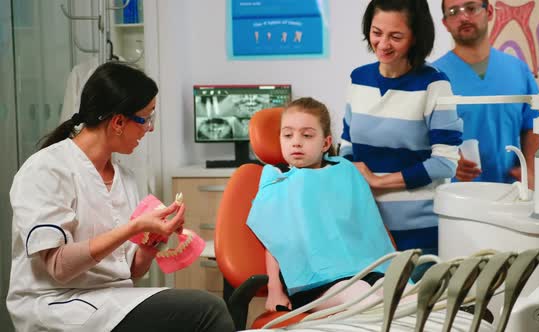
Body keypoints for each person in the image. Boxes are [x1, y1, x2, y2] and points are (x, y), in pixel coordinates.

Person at [7, 62, 235, 332]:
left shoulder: (124, 178)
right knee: (207, 310)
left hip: (111, 300)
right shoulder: (47, 169)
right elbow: (58, 267)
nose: (150, 128)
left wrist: (151, 243)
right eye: (147, 118)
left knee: (203, 309)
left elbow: (130, 271)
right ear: (118, 122)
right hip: (57, 304)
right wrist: (133, 228)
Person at [339, 0, 462, 263]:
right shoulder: (359, 79)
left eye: (396, 36)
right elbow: (347, 143)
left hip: (420, 233)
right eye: (376, 32)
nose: (383, 44)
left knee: (414, 304)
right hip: (366, 226)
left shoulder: (434, 84)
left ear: (415, 37)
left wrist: (379, 182)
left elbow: (445, 163)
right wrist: (353, 174)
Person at [246, 97, 396, 312]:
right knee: (366, 299)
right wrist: (274, 289)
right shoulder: (278, 180)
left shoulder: (345, 171)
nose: (296, 141)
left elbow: (366, 227)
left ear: (325, 143)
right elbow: (275, 241)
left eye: (306, 135)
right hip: (314, 283)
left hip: (365, 270)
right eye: (287, 135)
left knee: (408, 298)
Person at [433, 0, 539, 186]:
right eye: (453, 12)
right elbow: (416, 136)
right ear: (445, 23)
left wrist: (531, 170)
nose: (463, 17)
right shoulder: (433, 77)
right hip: (453, 197)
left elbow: (533, 125)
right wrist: (445, 161)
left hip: (509, 191)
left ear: (489, 12)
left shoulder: (518, 71)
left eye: (471, 8)